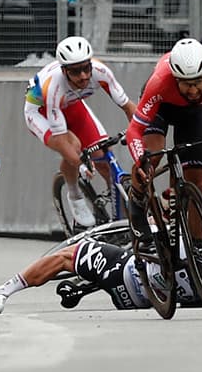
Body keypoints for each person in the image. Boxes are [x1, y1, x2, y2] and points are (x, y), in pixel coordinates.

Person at [0, 201, 202, 314]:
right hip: (142, 300)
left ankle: (0, 294)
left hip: (126, 275)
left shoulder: (182, 245)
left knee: (66, 257)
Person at [126, 38, 202, 252]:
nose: (193, 90)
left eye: (198, 83)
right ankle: (137, 203)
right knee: (152, 157)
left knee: (199, 182)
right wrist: (140, 159)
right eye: (186, 83)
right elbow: (134, 131)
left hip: (193, 113)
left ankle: (199, 249)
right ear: (175, 78)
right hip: (162, 109)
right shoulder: (159, 82)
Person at [24, 36, 136, 229]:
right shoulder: (54, 86)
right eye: (76, 71)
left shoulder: (101, 71)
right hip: (40, 112)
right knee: (74, 149)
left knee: (102, 156)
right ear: (64, 70)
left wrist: (139, 137)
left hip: (72, 105)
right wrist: (81, 163)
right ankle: (75, 196)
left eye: (86, 68)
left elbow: (128, 107)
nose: (84, 76)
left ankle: (123, 214)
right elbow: (61, 140)